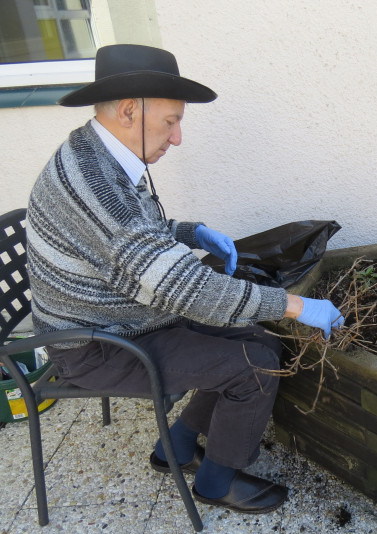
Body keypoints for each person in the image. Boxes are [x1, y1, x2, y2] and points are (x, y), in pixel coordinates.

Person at [27, 44, 344, 514]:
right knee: (253, 367)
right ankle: (216, 480)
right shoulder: (92, 182)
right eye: (170, 122)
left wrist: (188, 232)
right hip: (96, 345)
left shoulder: (95, 151)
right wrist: (295, 305)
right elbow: (185, 290)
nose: (176, 139)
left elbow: (125, 235)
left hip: (119, 316)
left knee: (262, 341)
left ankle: (174, 445)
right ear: (130, 110)